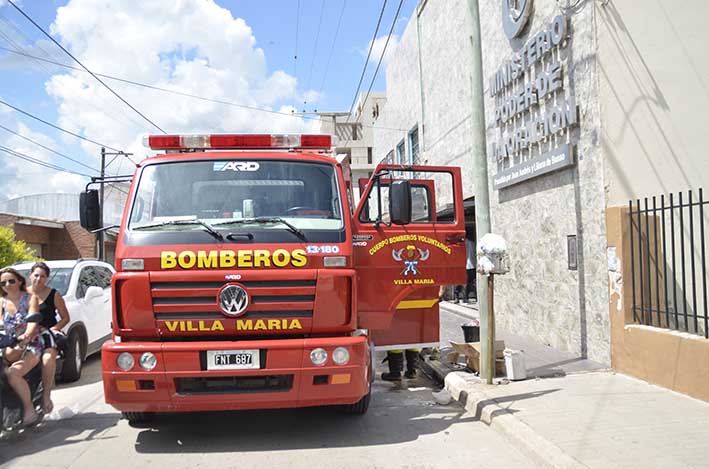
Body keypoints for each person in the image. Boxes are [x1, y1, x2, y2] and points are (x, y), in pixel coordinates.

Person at [1, 267, 42, 426]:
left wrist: (27, 336)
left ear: (19, 281)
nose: (7, 284)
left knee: (13, 373)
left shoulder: (30, 298)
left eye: (11, 281)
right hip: (7, 344)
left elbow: (32, 321)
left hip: (30, 343)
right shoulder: (1, 302)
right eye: (3, 282)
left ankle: (28, 408)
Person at [28, 261, 70, 414]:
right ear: (30, 276)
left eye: (42, 276)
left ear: (47, 278)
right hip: (26, 336)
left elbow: (65, 318)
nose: (38, 279)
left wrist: (53, 329)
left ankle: (46, 396)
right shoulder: (23, 294)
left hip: (47, 337)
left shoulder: (54, 295)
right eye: (36, 275)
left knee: (47, 359)